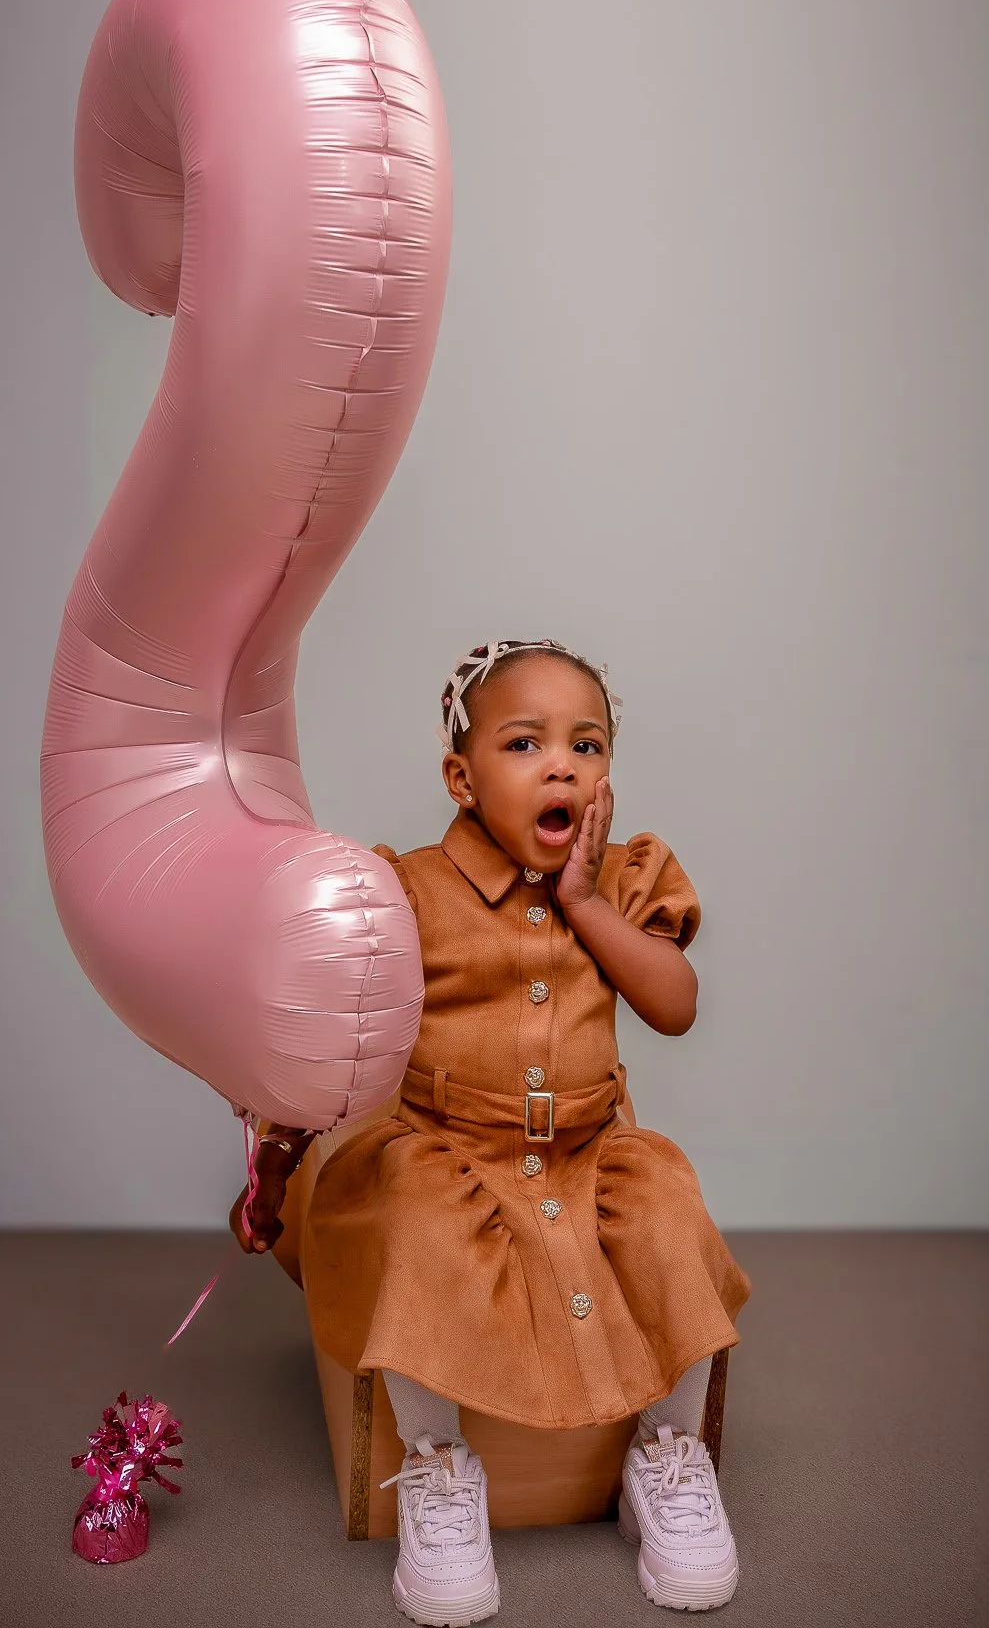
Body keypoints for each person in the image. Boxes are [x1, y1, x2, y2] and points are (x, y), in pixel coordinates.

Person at [237, 638, 752, 1621]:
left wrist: (587, 904)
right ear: (461, 777)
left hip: (586, 1149)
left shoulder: (625, 878)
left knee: (668, 1205)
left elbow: (676, 1003)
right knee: (419, 1220)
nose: (562, 763)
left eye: (586, 742)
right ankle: (435, 1462)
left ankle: (667, 1451)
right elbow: (341, 1012)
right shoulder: (409, 889)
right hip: (450, 1146)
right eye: (525, 742)